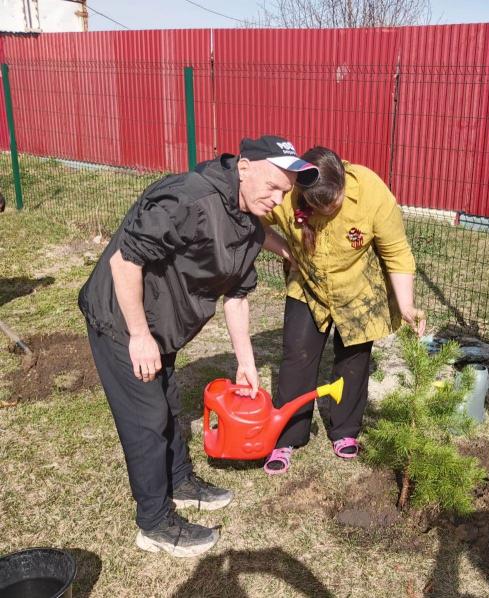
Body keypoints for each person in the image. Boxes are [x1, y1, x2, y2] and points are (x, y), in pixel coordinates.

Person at [78, 135, 318, 557]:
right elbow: (124, 260)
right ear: (244, 167)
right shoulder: (189, 198)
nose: (279, 200)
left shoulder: (246, 218)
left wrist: (247, 363)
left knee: (168, 403)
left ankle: (180, 479)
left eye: (285, 192)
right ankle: (154, 523)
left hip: (160, 323)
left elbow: (238, 296)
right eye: (273, 186)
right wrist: (138, 335)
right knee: (147, 418)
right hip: (121, 317)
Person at [260, 146, 425, 474]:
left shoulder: (371, 191)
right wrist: (284, 249)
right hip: (307, 285)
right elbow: (248, 216)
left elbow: (396, 251)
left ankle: (345, 430)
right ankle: (288, 436)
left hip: (359, 287)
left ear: (343, 184)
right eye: (318, 208)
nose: (327, 213)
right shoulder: (287, 190)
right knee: (297, 356)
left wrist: (406, 304)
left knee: (354, 359)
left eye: (333, 205)